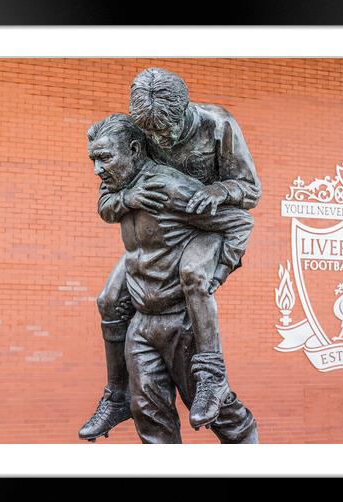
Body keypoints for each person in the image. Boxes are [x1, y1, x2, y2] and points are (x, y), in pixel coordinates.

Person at [79, 68, 261, 440]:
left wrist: (219, 193)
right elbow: (108, 195)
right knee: (110, 299)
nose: (159, 139)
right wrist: (128, 197)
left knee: (193, 276)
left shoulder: (218, 126)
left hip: (206, 221)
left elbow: (250, 193)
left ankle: (210, 373)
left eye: (167, 130)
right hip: (156, 238)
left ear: (184, 110)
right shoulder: (136, 133)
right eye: (151, 135)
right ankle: (117, 395)